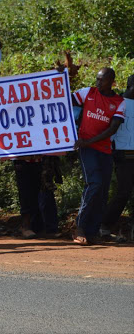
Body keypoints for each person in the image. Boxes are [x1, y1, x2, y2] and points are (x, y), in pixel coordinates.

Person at [72, 68, 126, 245]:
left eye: (102, 80)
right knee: (94, 183)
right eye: (97, 79)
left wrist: (90, 141)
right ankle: (79, 227)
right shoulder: (88, 93)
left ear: (112, 81)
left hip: (104, 150)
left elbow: (113, 129)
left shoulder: (119, 102)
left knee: (102, 191)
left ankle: (92, 231)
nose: (98, 83)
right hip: (86, 148)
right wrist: (64, 75)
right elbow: (64, 98)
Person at [100, 74, 134, 239]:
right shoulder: (118, 103)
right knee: (124, 192)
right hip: (122, 153)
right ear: (131, 86)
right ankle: (104, 225)